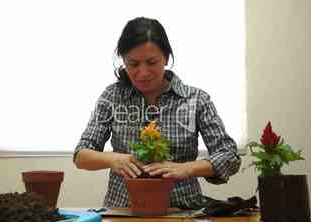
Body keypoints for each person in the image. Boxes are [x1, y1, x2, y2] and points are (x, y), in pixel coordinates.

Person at [73, 17, 241, 209]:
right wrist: (113, 159)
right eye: (133, 64)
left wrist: (187, 169)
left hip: (183, 212)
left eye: (151, 62)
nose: (143, 73)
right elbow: (81, 155)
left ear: (167, 58)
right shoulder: (112, 96)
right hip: (123, 212)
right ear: (123, 61)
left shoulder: (196, 99)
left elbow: (229, 156)